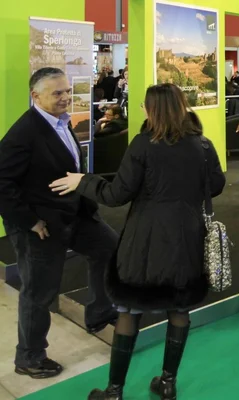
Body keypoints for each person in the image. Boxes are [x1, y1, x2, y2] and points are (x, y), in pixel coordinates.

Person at [50, 83, 226, 399]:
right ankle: (168, 383)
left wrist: (83, 181)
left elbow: (117, 194)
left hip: (143, 239)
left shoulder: (143, 145)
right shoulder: (202, 145)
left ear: (150, 109)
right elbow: (215, 186)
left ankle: (114, 390)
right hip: (187, 236)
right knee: (180, 307)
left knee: (129, 310)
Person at [0, 67, 118, 379]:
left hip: (75, 214)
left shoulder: (62, 122)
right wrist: (30, 222)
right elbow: (2, 185)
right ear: (35, 96)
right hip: (40, 225)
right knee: (39, 292)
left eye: (67, 91)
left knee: (109, 247)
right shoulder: (23, 133)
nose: (66, 97)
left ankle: (99, 312)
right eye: (57, 93)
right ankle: (29, 357)